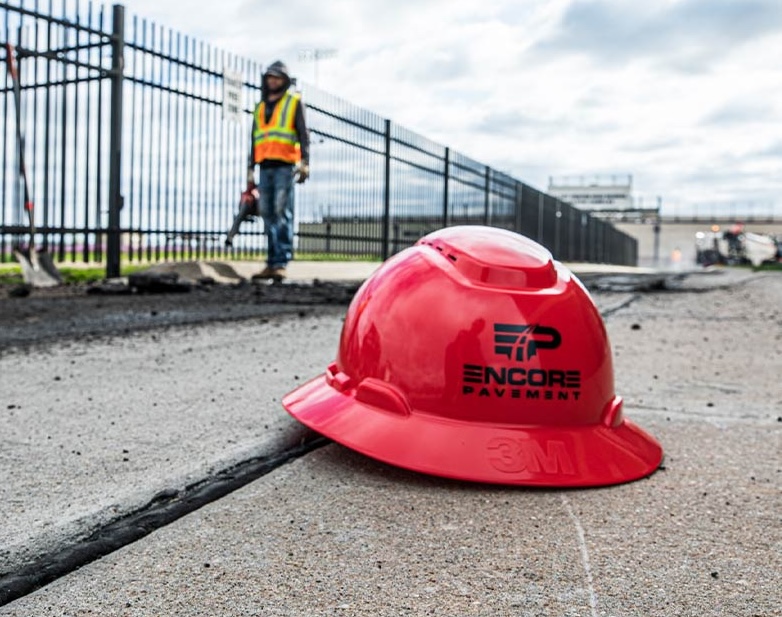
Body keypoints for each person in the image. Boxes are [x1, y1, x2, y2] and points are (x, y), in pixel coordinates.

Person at [240, 60, 310, 282]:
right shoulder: (260, 107)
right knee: (267, 214)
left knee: (281, 212)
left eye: (277, 77)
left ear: (284, 80)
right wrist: (250, 168)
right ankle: (271, 262)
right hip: (265, 167)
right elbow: (254, 139)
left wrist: (305, 161)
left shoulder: (293, 102)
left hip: (284, 166)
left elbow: (303, 133)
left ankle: (281, 261)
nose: (273, 81)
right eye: (270, 77)